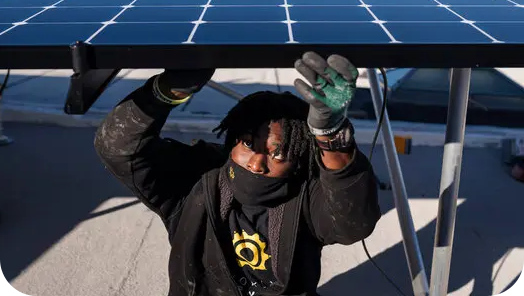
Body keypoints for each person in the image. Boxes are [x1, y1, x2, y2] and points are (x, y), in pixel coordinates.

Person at [94, 52, 381, 296]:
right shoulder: (196, 179)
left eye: (278, 153)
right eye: (247, 143)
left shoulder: (306, 193)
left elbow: (352, 222)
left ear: (298, 163)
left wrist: (330, 136)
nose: (256, 163)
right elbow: (118, 147)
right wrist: (164, 92)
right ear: (230, 140)